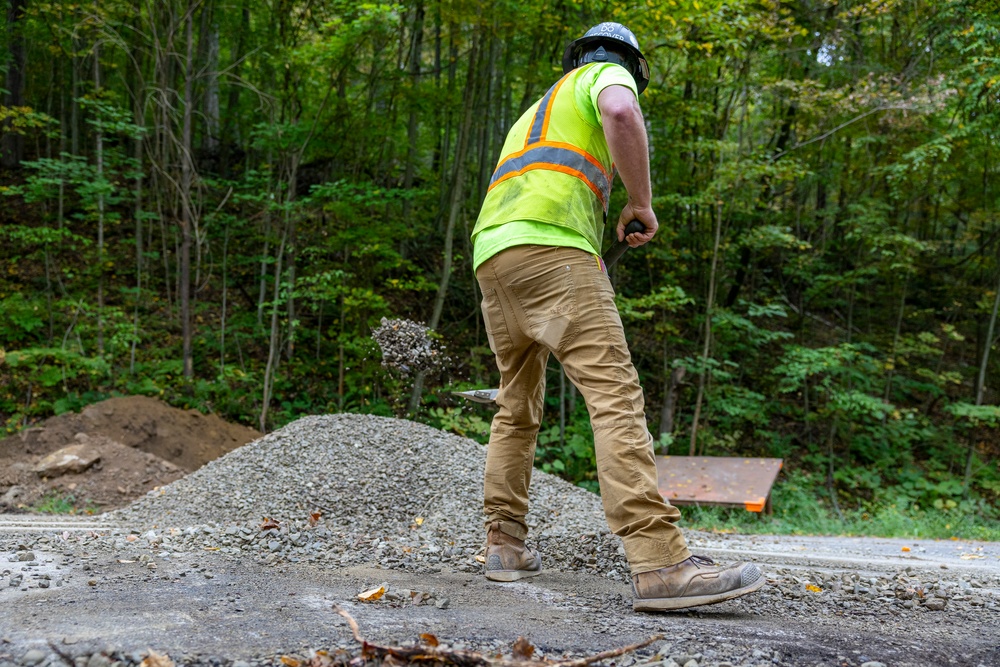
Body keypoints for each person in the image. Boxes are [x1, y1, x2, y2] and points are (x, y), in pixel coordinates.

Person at [470, 22, 765, 611]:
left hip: (492, 255)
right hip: (554, 250)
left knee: (516, 405)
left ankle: (503, 545)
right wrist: (640, 202)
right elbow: (622, 114)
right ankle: (659, 564)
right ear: (627, 61)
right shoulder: (606, 75)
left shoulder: (536, 110)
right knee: (614, 395)